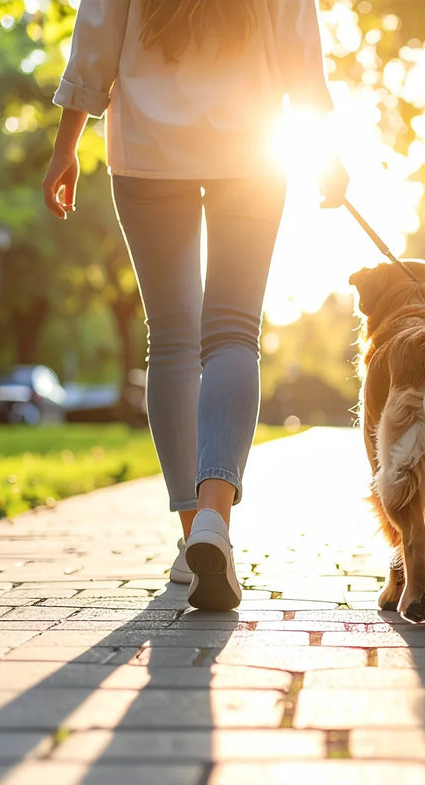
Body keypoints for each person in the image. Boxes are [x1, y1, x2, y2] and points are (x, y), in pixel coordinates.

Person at [43, 0, 348, 611]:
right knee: (233, 333)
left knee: (174, 340)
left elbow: (97, 33)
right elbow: (299, 44)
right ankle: (215, 520)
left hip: (149, 150)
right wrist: (326, 151)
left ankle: (192, 541)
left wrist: (66, 146)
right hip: (251, 151)